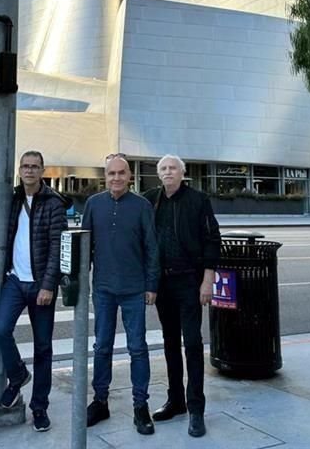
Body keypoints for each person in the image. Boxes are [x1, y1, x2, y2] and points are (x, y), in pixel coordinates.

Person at [142, 155, 220, 438]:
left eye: (172, 168)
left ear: (182, 172)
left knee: (193, 344)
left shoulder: (198, 200)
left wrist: (207, 280)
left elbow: (213, 239)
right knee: (170, 343)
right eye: (163, 168)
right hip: (162, 283)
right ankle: (176, 400)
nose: (167, 172)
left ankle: (196, 408)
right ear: (158, 174)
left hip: (190, 281)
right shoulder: (150, 199)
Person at [0, 150, 68, 433]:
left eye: (35, 166)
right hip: (14, 281)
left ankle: (39, 407)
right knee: (0, 331)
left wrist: (48, 285)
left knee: (43, 348)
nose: (29, 171)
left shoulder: (53, 203)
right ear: (19, 170)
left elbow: (58, 248)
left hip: (40, 285)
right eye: (25, 166)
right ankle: (18, 375)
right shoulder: (11, 199)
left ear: (42, 171)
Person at [84, 154, 160, 435]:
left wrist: (151, 285)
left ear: (130, 176)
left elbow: (152, 247)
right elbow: (86, 247)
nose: (116, 178)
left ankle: (141, 406)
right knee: (101, 346)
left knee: (138, 348)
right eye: (111, 173)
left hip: (134, 290)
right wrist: (81, 284)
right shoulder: (93, 204)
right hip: (103, 289)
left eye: (121, 173)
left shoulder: (142, 206)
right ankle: (100, 401)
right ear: (105, 176)